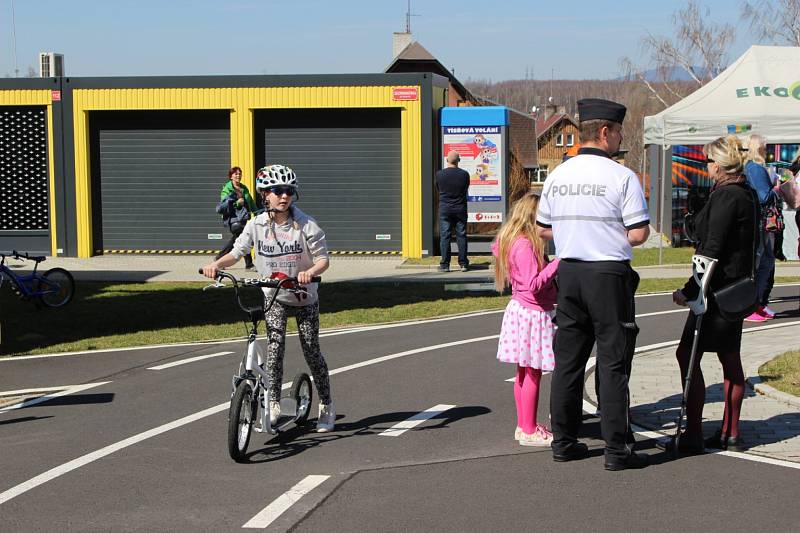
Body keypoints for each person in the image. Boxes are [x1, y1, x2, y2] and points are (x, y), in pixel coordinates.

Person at [536, 98, 651, 471]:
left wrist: (575, 229)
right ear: (605, 132)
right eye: (618, 132)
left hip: (568, 271)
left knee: (567, 362)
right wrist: (608, 231)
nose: (620, 138)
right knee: (613, 361)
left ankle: (564, 442)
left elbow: (542, 228)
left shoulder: (557, 174)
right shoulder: (622, 177)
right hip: (608, 274)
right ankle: (617, 450)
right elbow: (639, 233)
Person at [201, 164, 335, 432]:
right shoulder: (256, 224)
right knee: (275, 349)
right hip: (274, 296)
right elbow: (237, 252)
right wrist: (216, 265)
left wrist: (310, 272)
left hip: (304, 296)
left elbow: (323, 260)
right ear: (265, 195)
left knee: (311, 350)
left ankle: (327, 406)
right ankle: (273, 401)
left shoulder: (307, 225)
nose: (283, 196)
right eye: (276, 191)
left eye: (288, 191)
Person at [668, 136, 757, 453]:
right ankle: (730, 431)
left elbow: (711, 249)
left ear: (717, 165)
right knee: (729, 358)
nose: (706, 167)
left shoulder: (727, 198)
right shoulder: (747, 194)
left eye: (707, 162)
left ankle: (692, 433)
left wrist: (689, 291)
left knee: (687, 356)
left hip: (715, 292)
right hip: (735, 289)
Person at [492, 192, 559, 447]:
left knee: (523, 371)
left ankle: (524, 425)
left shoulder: (511, 241)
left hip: (521, 310)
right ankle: (529, 429)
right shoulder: (525, 245)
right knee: (533, 372)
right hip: (533, 313)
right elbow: (534, 284)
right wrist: (557, 263)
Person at [743, 134, 778, 321]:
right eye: (765, 147)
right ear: (759, 149)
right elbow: (764, 196)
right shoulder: (756, 169)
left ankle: (757, 305)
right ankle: (751, 307)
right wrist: (778, 190)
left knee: (765, 262)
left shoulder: (751, 168)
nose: (768, 150)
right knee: (760, 263)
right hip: (761, 222)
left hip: (760, 222)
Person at [216, 166, 257, 270]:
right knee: (243, 238)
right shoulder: (227, 189)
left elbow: (250, 202)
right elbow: (224, 205)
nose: (238, 176)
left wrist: (257, 213)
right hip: (233, 220)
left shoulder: (244, 188)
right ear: (231, 176)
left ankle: (219, 259)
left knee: (239, 240)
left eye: (240, 174)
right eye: (236, 174)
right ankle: (249, 264)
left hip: (243, 218)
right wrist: (236, 204)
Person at [436, 150, 470, 272]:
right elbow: (465, 189)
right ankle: (463, 264)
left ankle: (445, 265)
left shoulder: (439, 174)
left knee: (445, 236)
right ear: (458, 160)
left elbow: (438, 189)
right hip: (460, 209)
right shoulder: (464, 174)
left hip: (445, 209)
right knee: (461, 235)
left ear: (447, 160)